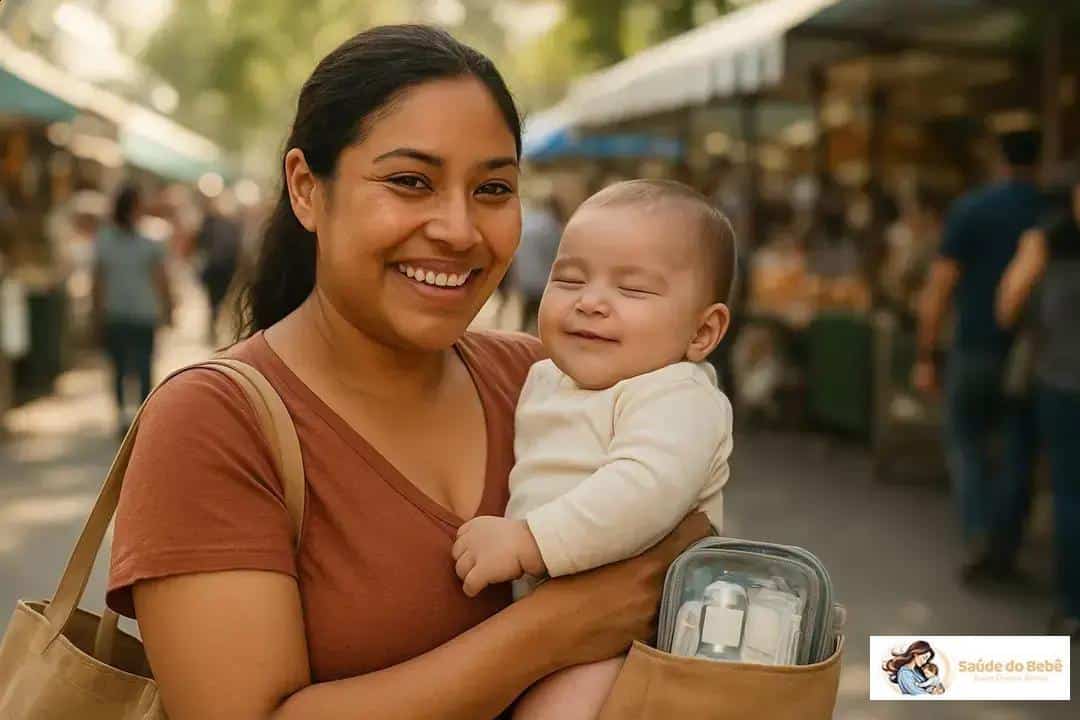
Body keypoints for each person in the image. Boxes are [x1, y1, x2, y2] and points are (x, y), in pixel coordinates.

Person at [105, 25, 709, 720]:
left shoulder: (548, 379)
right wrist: (558, 627)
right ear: (306, 189)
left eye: (493, 188)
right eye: (410, 182)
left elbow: (693, 556)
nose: (458, 229)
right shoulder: (213, 423)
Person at [451, 179, 734, 720]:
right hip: (556, 624)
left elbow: (643, 491)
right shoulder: (546, 377)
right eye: (569, 278)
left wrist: (530, 541)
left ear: (702, 332)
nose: (590, 302)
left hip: (628, 640)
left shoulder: (677, 393)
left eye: (633, 290)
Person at [914, 131, 1044, 582]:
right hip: (1032, 354)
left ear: (999, 160)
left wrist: (925, 353)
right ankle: (1004, 545)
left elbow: (939, 286)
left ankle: (978, 533)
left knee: (967, 445)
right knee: (1017, 451)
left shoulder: (972, 209)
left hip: (973, 347)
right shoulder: (1051, 211)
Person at [997, 172, 1080, 640]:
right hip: (1061, 378)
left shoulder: (1047, 242)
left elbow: (1007, 305)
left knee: (1069, 493)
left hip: (1064, 379)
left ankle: (1072, 606)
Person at [92, 185, 174, 433]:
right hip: (139, 313)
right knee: (140, 367)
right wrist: (168, 307)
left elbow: (98, 281)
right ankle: (139, 417)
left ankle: (126, 416)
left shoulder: (106, 241)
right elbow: (161, 279)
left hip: (119, 313)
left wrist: (96, 312)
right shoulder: (148, 242)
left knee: (123, 367)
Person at [513, 194, 564, 333]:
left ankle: (522, 337)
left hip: (525, 279)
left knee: (526, 316)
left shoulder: (527, 223)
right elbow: (556, 254)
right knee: (542, 319)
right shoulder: (552, 227)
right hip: (543, 281)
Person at [196, 191, 243, 344]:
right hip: (224, 268)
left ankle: (213, 323)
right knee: (219, 298)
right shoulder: (229, 225)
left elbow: (200, 244)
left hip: (215, 267)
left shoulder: (209, 223)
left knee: (214, 299)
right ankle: (214, 323)